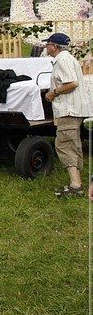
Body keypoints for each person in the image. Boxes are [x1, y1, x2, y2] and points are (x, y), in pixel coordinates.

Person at [43, 33, 93, 197]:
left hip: (69, 109)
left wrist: (53, 93)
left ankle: (75, 185)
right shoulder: (67, 59)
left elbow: (72, 83)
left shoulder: (63, 60)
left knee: (65, 144)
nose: (46, 47)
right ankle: (76, 183)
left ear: (55, 46)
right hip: (72, 108)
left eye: (48, 44)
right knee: (72, 143)